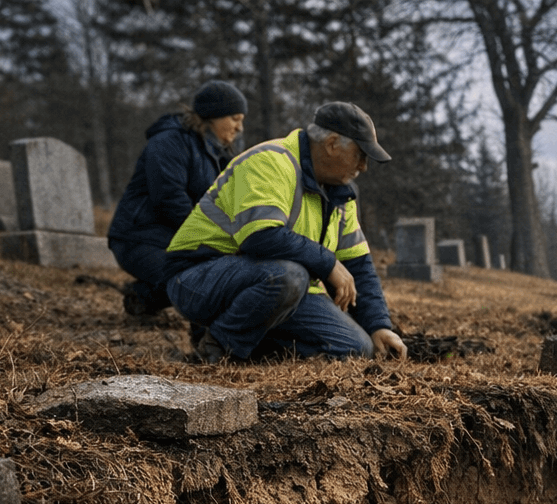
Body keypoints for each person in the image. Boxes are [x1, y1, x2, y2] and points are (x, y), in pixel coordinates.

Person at [163, 101, 406, 362]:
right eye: (360, 154)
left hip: (273, 285)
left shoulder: (340, 193)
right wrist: (328, 263)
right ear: (332, 144)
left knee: (357, 347)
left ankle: (243, 338)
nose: (364, 166)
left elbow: (359, 266)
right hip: (196, 278)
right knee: (289, 276)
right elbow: (260, 237)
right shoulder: (269, 162)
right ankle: (217, 349)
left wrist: (379, 325)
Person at [107, 81, 248, 317]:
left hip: (178, 239)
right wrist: (213, 241)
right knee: (196, 279)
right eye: (235, 118)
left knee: (220, 274)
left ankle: (143, 297)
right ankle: (146, 296)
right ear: (212, 115)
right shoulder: (169, 142)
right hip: (140, 239)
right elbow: (170, 200)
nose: (240, 127)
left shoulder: (220, 156)